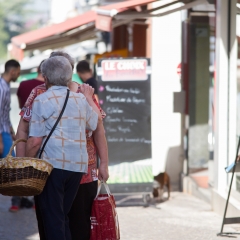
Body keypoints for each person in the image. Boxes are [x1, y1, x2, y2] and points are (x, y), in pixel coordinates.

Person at [16, 51, 109, 240]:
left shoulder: (43, 99)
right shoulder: (82, 98)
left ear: (47, 76)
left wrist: (27, 164)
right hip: (78, 167)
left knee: (54, 219)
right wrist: (89, 100)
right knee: (64, 219)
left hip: (52, 167)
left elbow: (34, 140)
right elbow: (95, 123)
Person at [9, 61, 45, 212]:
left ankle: (16, 201)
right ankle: (37, 200)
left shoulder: (23, 84)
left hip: (24, 127)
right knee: (39, 167)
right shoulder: (45, 89)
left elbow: (20, 107)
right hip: (41, 131)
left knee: (20, 164)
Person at [0, 60, 20, 212]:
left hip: (6, 131)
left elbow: (5, 113)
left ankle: (16, 201)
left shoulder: (5, 86)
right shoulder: (1, 87)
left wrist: (12, 131)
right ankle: (16, 201)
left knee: (10, 167)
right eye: (18, 72)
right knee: (11, 167)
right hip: (1, 133)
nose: (18, 75)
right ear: (12, 71)